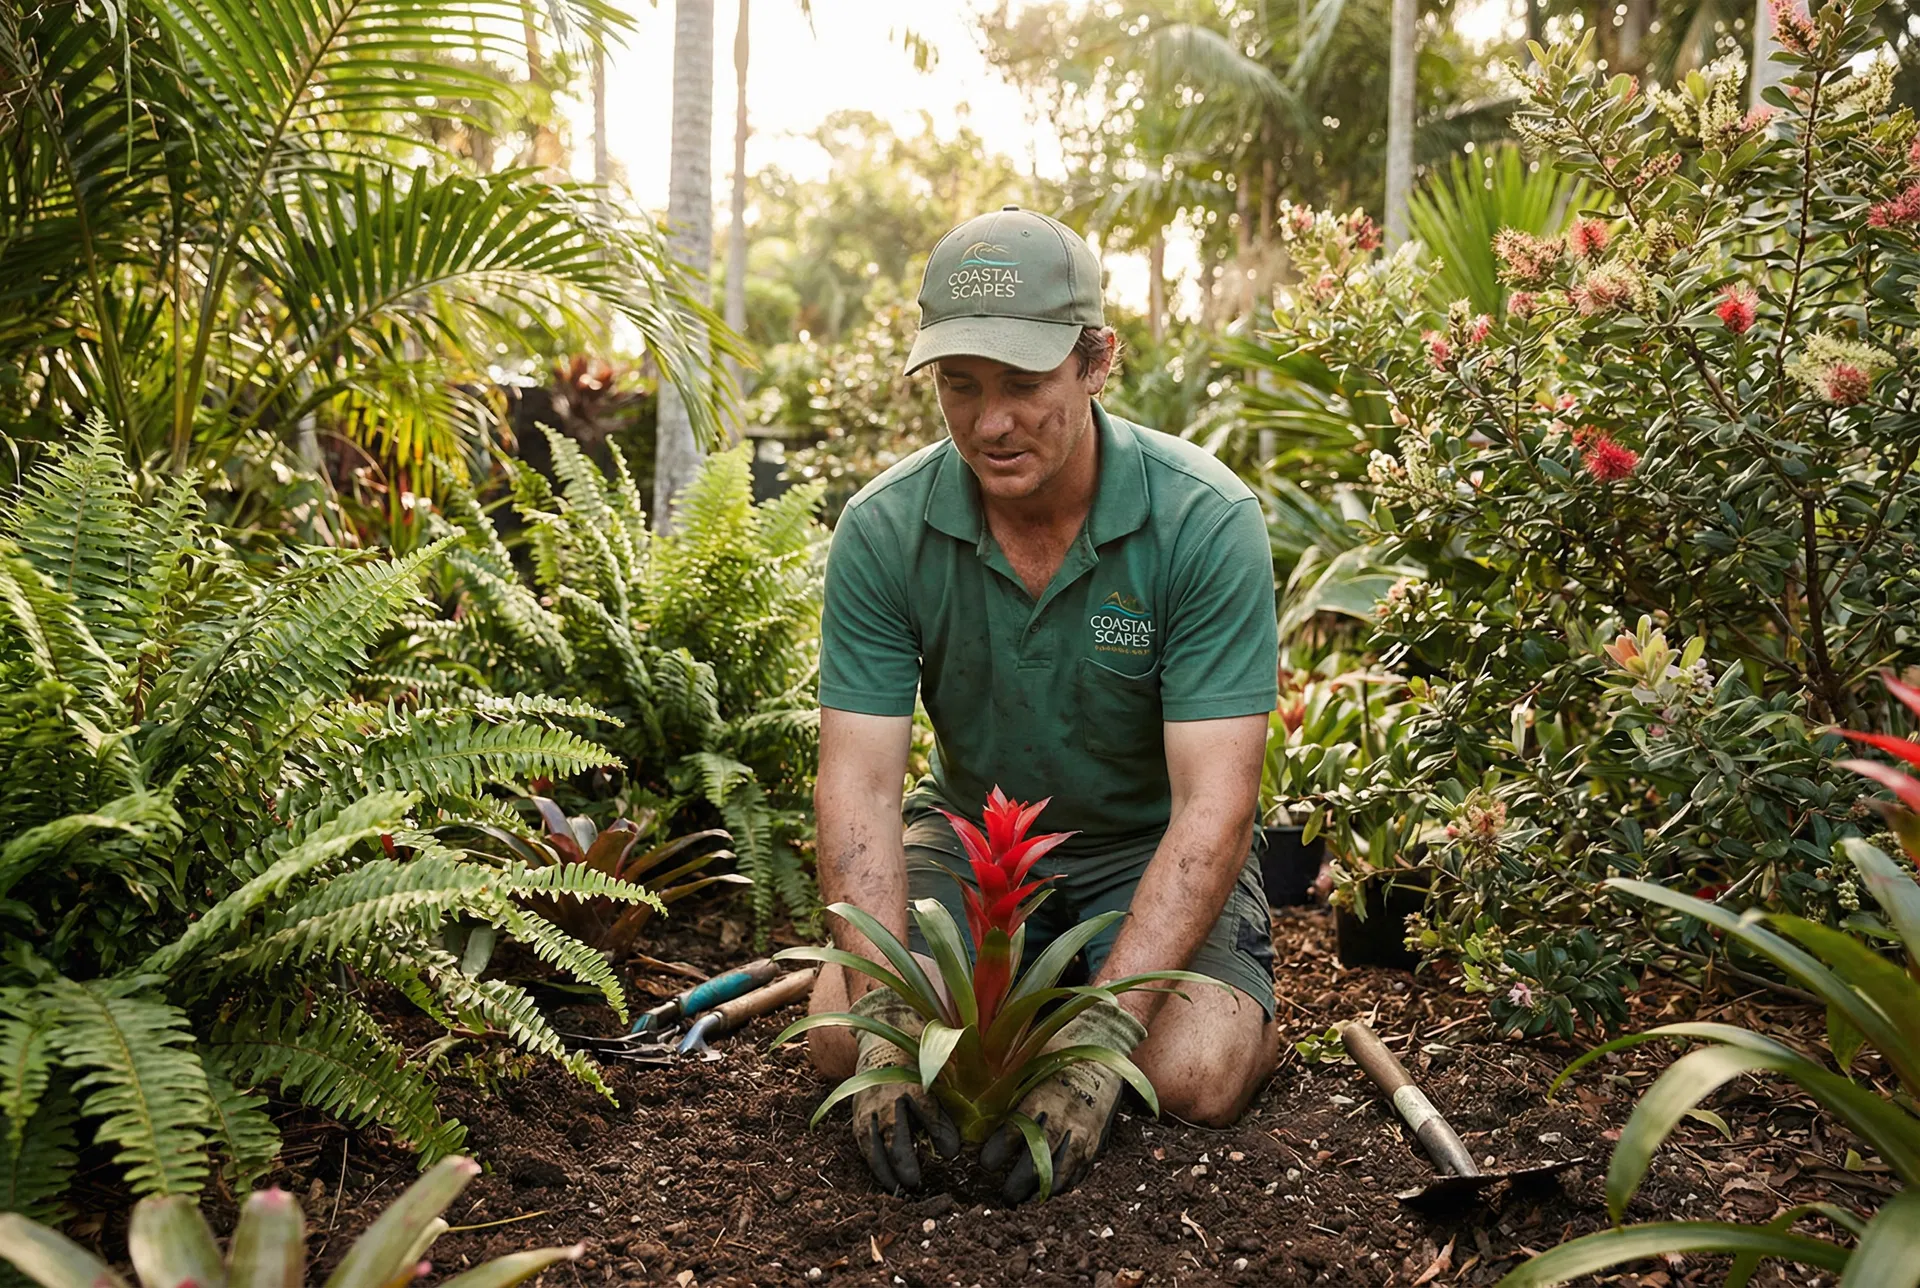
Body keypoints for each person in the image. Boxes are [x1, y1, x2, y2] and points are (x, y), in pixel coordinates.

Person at [806, 205, 1280, 1203]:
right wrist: (894, 1027)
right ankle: (1038, 998)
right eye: (959, 385)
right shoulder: (885, 529)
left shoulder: (1203, 519)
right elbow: (859, 789)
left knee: (1196, 1068)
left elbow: (1215, 806)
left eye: (1023, 384)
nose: (989, 422)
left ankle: (1098, 997)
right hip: (978, 835)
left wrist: (1108, 1038)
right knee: (843, 1037)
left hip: (1148, 846)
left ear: (1096, 360)